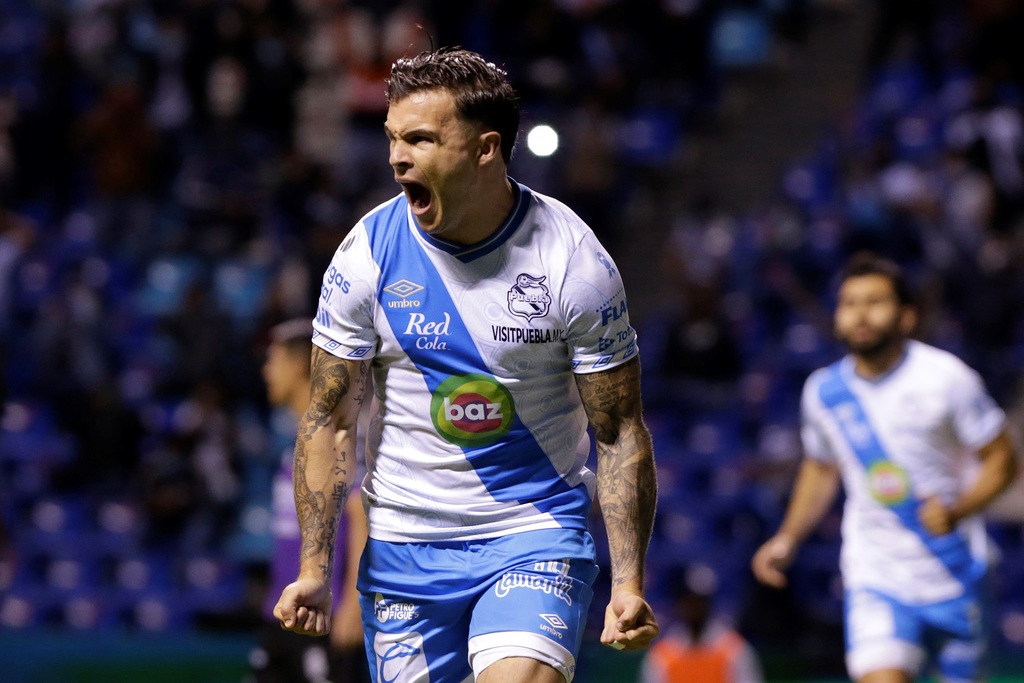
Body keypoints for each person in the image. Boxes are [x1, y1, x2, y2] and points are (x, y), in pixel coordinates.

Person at [273, 47, 660, 683]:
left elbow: (618, 431)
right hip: (403, 549)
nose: (397, 157)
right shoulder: (365, 256)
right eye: (393, 138)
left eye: (421, 139)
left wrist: (628, 582)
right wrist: (315, 570)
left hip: (533, 534)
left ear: (485, 149)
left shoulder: (572, 262)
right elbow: (329, 420)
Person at [751, 252, 1020, 683]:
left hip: (955, 574)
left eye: (875, 302)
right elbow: (821, 470)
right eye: (849, 303)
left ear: (907, 316)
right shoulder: (824, 392)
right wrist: (788, 538)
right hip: (876, 575)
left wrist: (959, 510)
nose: (860, 314)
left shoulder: (947, 379)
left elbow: (1004, 461)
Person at [251, 318, 371, 683]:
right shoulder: (293, 435)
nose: (265, 371)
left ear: (298, 365)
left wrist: (354, 601)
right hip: (284, 611)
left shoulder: (341, 431)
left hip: (323, 614)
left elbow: (362, 512)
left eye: (273, 360)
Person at [639, 565, 763, 683]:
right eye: (688, 602)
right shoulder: (662, 655)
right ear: (680, 604)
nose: (694, 608)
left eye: (698, 602)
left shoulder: (734, 649)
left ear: (708, 603)